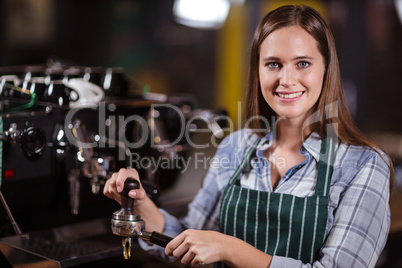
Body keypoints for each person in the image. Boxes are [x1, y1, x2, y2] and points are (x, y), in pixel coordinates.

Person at [104, 4, 393, 267]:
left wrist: (230, 249)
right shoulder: (237, 147)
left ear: (327, 69)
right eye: (273, 64)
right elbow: (191, 239)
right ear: (258, 70)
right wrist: (141, 204)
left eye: (303, 63)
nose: (286, 79)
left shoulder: (364, 165)